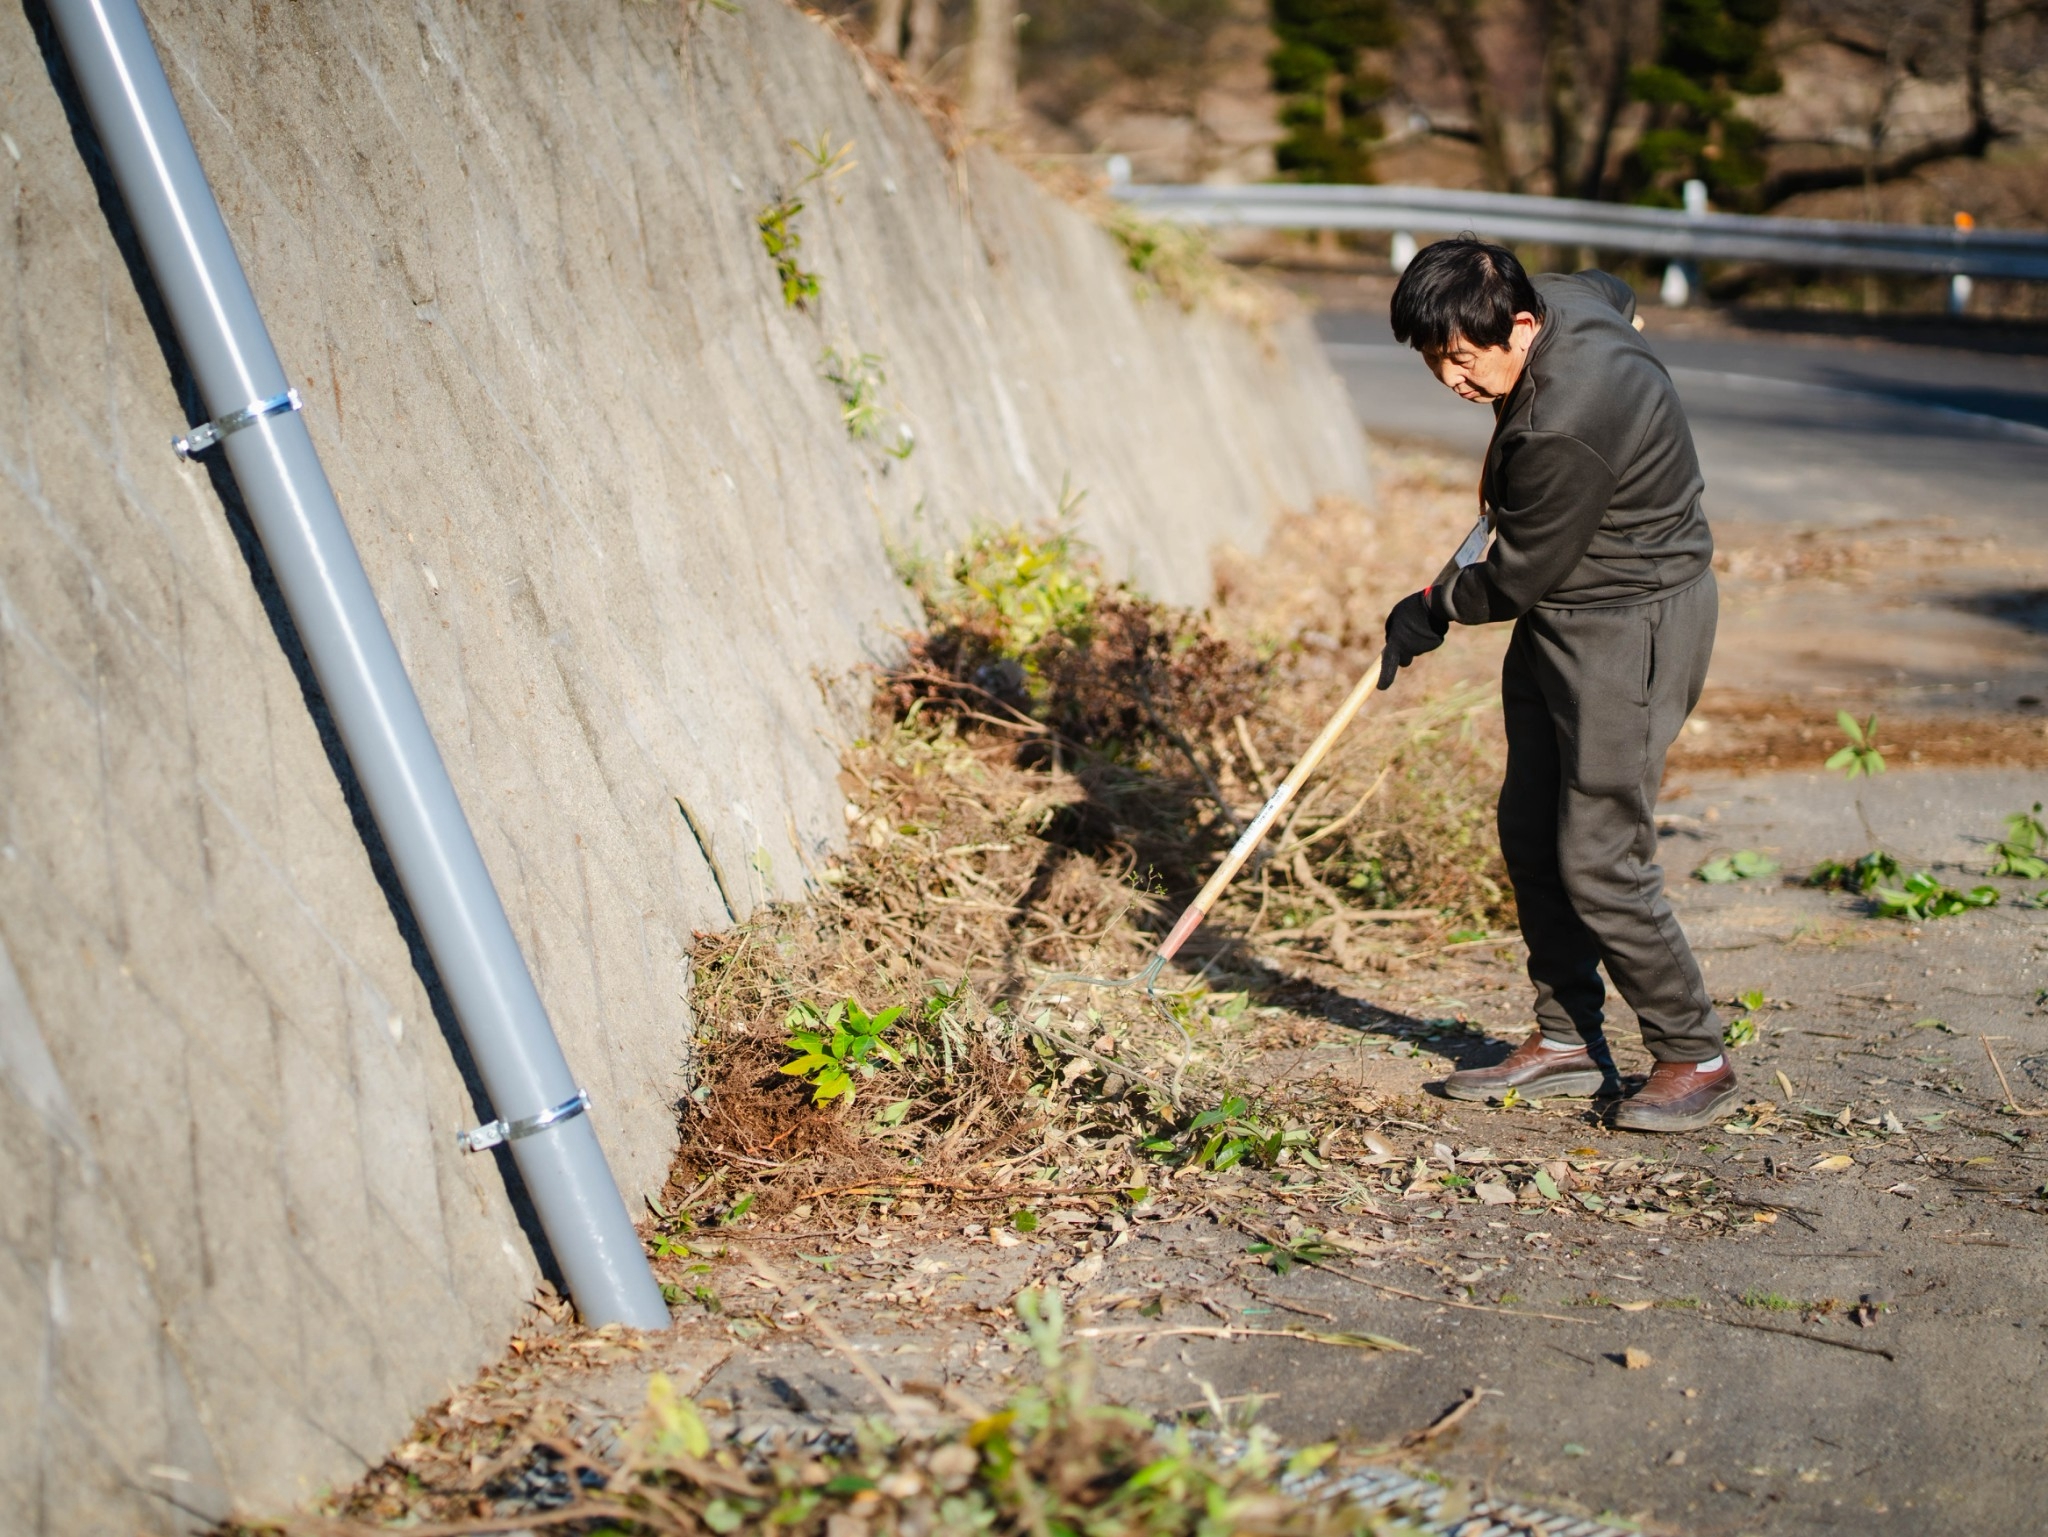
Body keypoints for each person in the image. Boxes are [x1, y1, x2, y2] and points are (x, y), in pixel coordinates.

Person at [1378, 236, 1733, 1133]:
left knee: (1599, 853)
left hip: (1632, 621)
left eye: (1463, 358)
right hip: (1564, 618)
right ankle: (1568, 1037)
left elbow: (1516, 574)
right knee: (1530, 825)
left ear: (1522, 325)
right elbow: (1611, 285)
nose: (1452, 380)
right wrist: (1627, 310)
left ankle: (1695, 1053)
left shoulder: (1564, 420)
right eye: (1433, 361)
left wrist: (1430, 605)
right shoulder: (1561, 300)